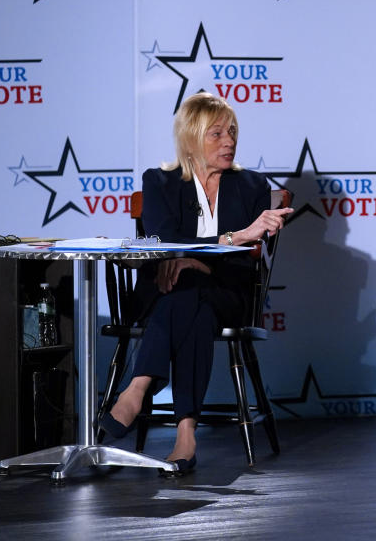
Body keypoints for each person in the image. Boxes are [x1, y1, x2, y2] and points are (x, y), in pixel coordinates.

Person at [99, 92, 293, 474]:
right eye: (217, 133)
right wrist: (227, 240)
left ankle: (138, 386)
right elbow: (165, 240)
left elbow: (243, 259)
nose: (230, 141)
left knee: (193, 288)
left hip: (228, 291)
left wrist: (199, 256)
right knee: (192, 302)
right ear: (191, 137)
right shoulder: (159, 182)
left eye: (233, 132)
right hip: (165, 292)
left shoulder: (252, 185)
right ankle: (186, 435)